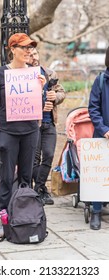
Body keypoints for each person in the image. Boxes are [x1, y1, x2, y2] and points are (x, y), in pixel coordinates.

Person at [0, 33, 46, 237]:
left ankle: (25, 215)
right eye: (24, 47)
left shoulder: (35, 74)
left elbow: (41, 106)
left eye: (30, 47)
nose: (28, 51)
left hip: (30, 132)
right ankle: (4, 220)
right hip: (8, 134)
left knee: (26, 177)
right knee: (5, 179)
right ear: (12, 49)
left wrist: (42, 87)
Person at [29, 48, 66, 205]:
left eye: (35, 54)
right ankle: (40, 190)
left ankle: (38, 188)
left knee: (49, 155)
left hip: (49, 122)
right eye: (30, 55)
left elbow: (62, 92)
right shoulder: (21, 76)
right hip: (32, 124)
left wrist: (55, 96)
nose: (33, 57)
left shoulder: (49, 72)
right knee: (34, 159)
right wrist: (39, 104)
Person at [88, 46, 109, 230]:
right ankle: (96, 212)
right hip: (103, 137)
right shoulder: (101, 80)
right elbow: (93, 109)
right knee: (99, 175)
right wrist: (104, 130)